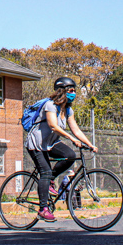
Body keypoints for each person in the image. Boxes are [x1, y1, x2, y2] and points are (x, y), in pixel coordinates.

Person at [25, 77, 97, 223]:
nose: (74, 93)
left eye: (75, 90)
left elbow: (75, 129)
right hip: (36, 144)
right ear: (62, 91)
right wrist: (71, 139)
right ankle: (43, 209)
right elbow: (53, 126)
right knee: (44, 172)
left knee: (69, 155)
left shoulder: (68, 110)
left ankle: (51, 179)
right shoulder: (50, 105)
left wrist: (90, 144)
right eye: (71, 90)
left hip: (51, 143)